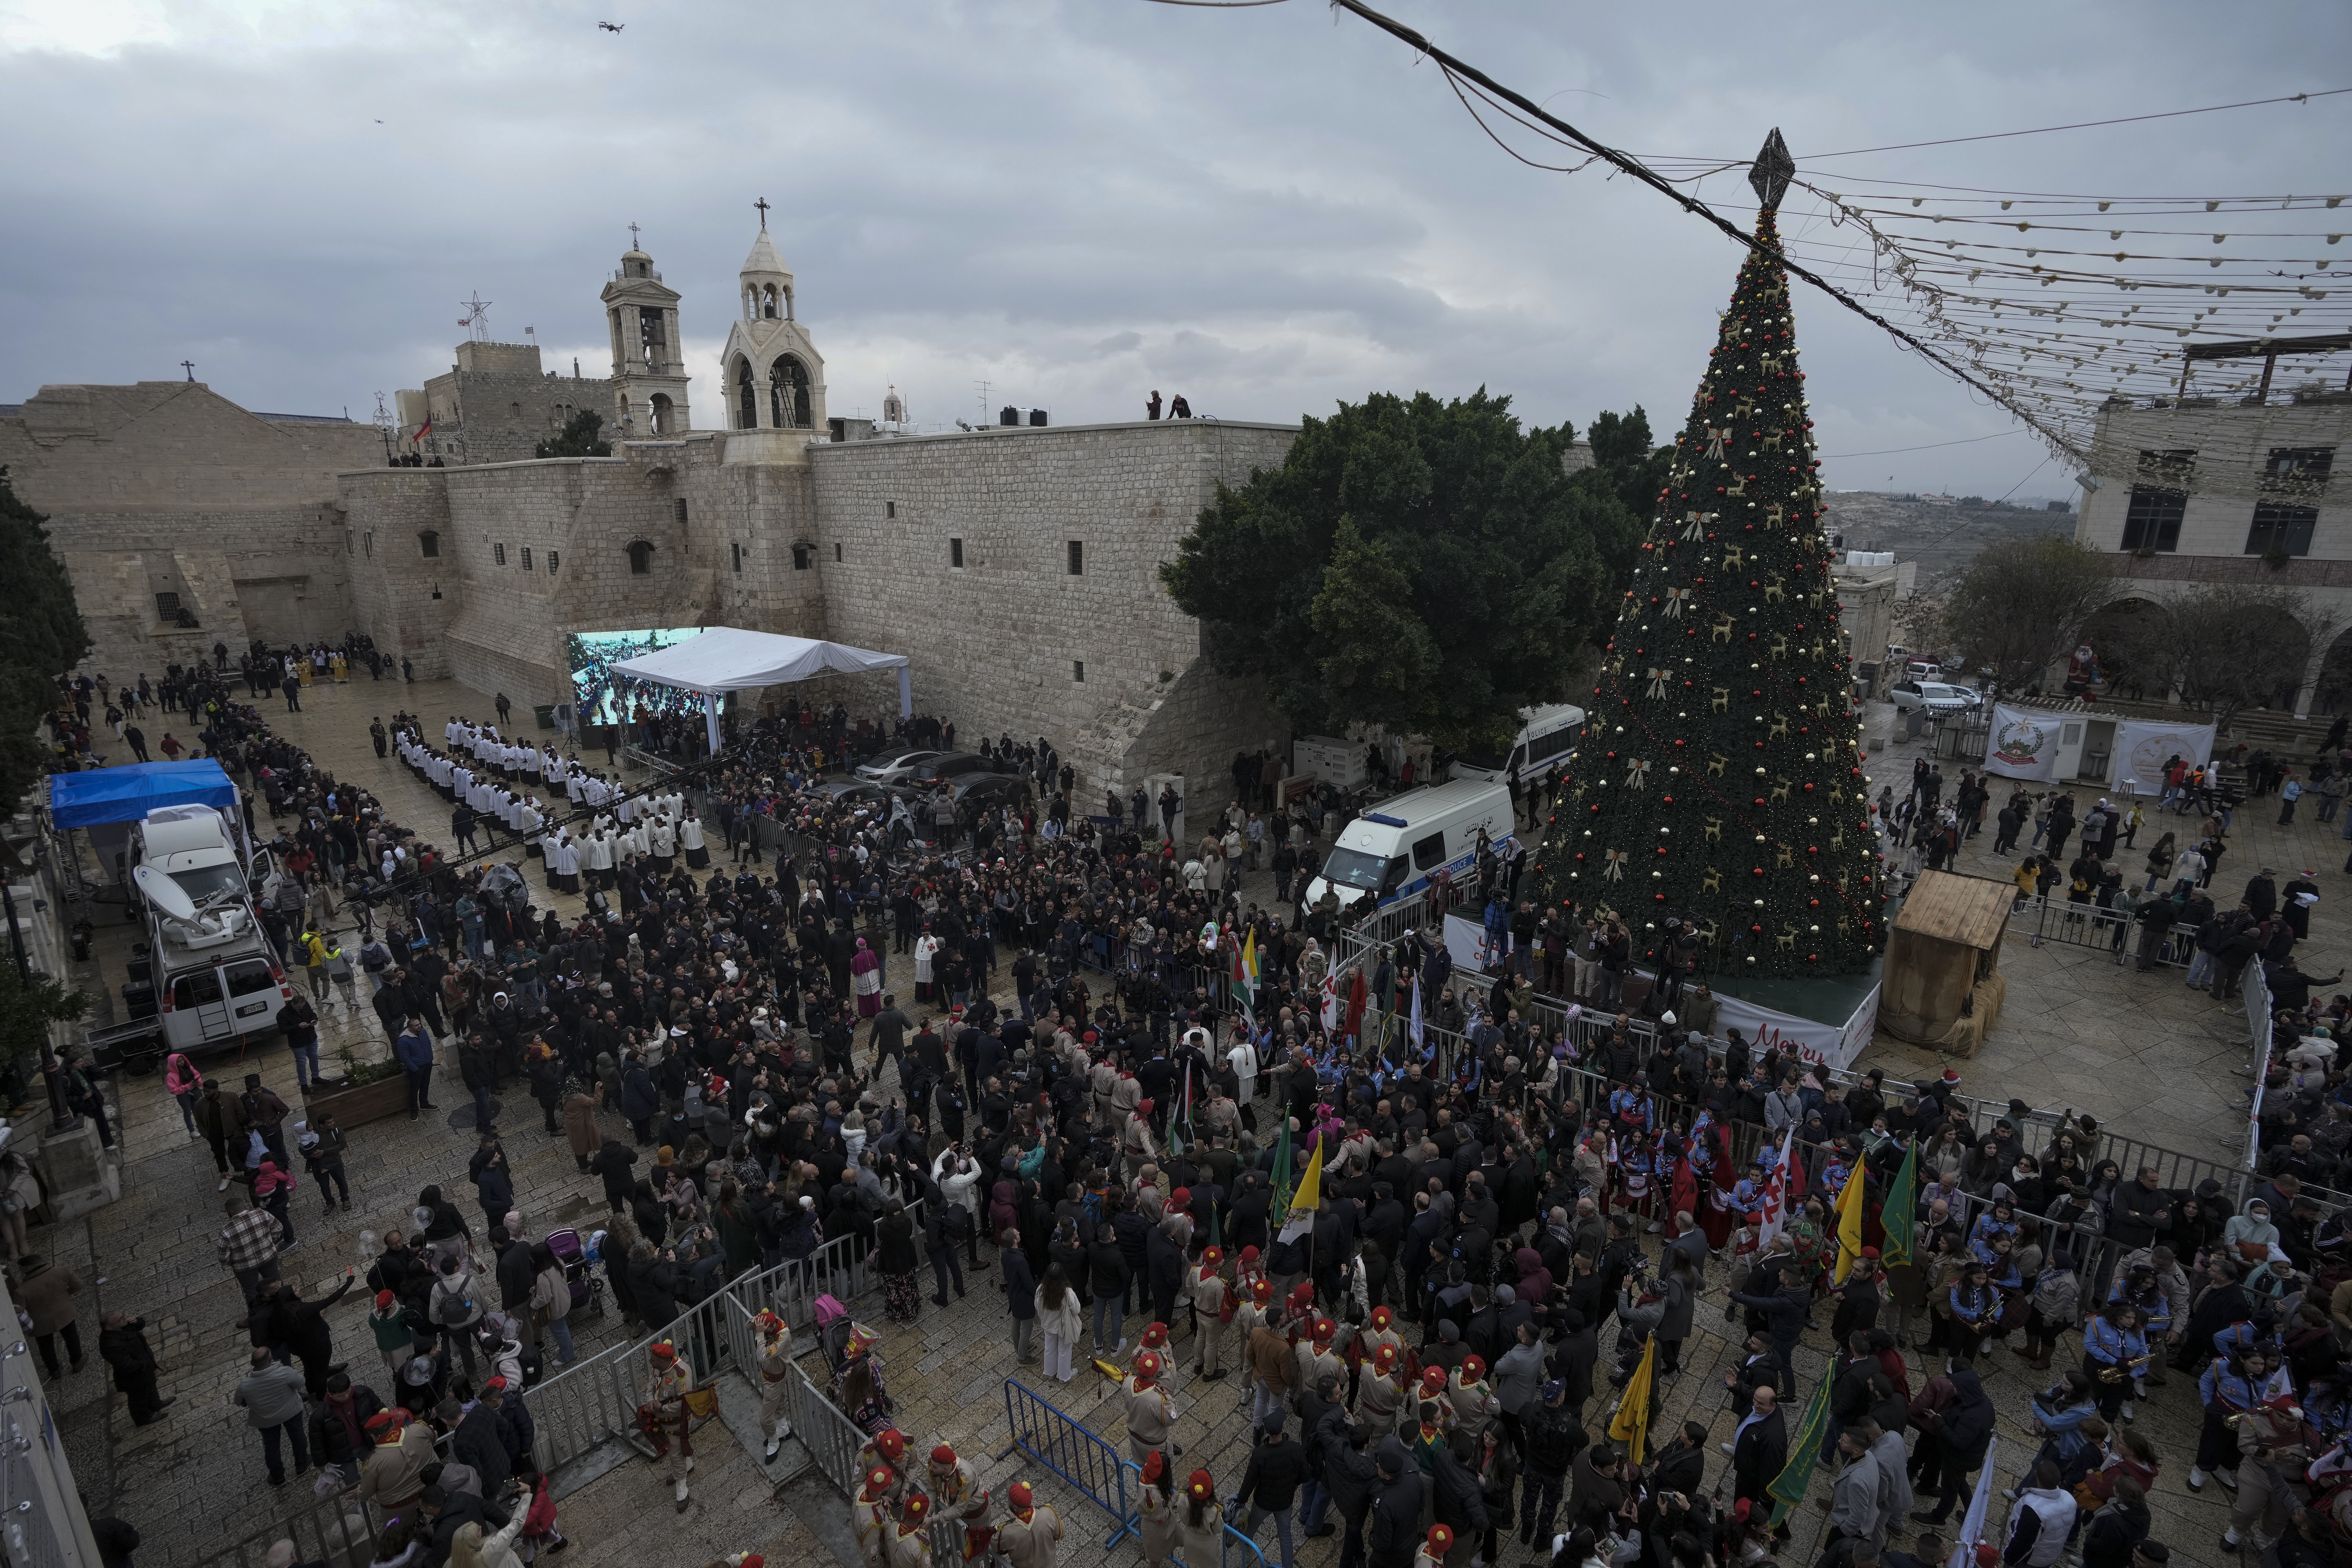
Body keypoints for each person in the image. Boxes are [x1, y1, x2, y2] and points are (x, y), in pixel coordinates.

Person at [1233, 1410, 1308, 1568]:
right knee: (1286, 1536)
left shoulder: (1260, 1454)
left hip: (1262, 1502)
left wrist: (1241, 1500)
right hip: (1285, 1502)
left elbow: (1250, 1481)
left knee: (1253, 1522)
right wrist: (1294, 1485)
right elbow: (1305, 1476)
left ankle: (1248, 1542)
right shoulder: (1295, 1449)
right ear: (1282, 1430)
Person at [233, 1345, 311, 1487]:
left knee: (271, 1446)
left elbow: (238, 1402)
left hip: (266, 1420)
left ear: (252, 1364)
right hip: (291, 1412)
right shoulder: (285, 1373)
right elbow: (301, 1382)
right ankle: (302, 1465)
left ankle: (278, 1477)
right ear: (271, 1359)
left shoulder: (245, 1386)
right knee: (297, 1436)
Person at [97, 1311, 173, 1426]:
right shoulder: (110, 1345)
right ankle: (143, 1418)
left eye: (123, 1315)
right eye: (121, 1319)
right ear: (109, 1327)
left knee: (151, 1387)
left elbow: (140, 1325)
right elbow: (126, 1365)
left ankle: (156, 1404)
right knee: (139, 1398)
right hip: (134, 1378)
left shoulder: (123, 1326)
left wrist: (137, 1321)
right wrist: (144, 1365)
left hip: (145, 1367)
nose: (125, 1318)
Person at [18, 1255, 85, 1380]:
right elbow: (79, 1285)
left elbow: (20, 1311)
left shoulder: (21, 1291)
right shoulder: (63, 1271)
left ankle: (54, 1370)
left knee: (45, 1346)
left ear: (26, 1270)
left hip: (40, 1322)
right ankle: (77, 1362)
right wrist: (65, 1294)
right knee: (72, 1337)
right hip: (65, 1313)